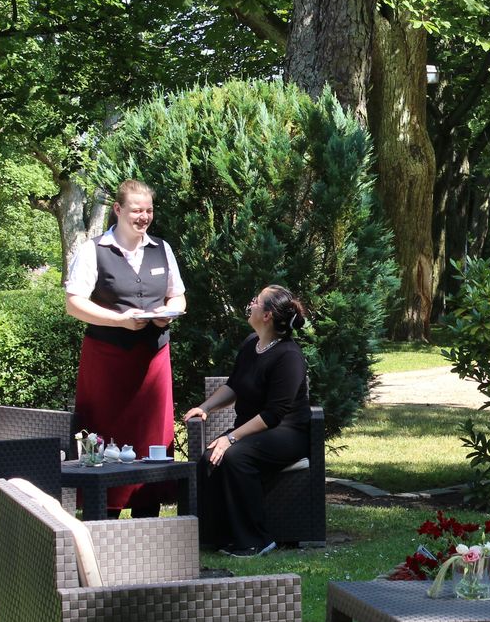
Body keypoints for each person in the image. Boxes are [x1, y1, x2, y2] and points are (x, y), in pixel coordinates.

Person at [64, 179, 187, 516]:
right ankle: (103, 515)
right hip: (107, 361)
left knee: (151, 437)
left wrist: (166, 314)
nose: (143, 216)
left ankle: (147, 512)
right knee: (106, 435)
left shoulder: (161, 248)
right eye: (136, 210)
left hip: (153, 360)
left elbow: (178, 294)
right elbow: (74, 304)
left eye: (148, 210)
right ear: (118, 210)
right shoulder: (94, 250)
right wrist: (118, 321)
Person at [184, 284, 310, 556]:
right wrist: (205, 407)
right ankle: (219, 537)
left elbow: (273, 414)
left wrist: (231, 438)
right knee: (210, 458)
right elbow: (234, 386)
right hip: (254, 430)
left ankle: (256, 540)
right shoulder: (250, 344)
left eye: (256, 301)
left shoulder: (289, 356)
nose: (250, 304)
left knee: (234, 456)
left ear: (266, 315)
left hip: (286, 432)